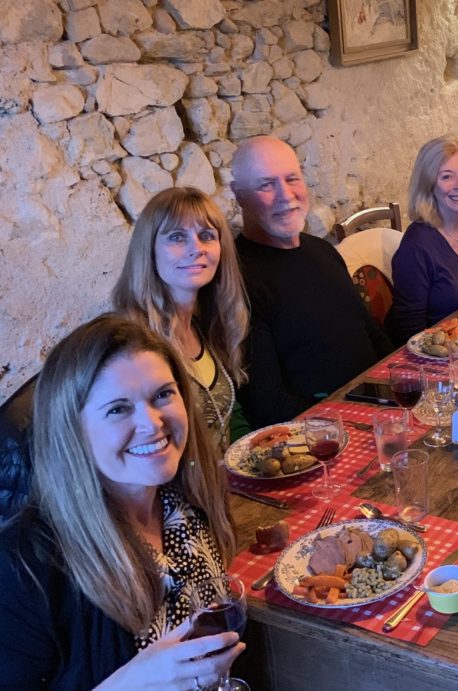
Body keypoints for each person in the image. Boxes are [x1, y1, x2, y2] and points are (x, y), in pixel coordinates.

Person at [0, 316, 242, 689]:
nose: (152, 423)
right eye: (118, 409)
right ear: (72, 432)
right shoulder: (22, 567)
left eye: (163, 395)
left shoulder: (189, 498)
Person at [231, 136, 392, 428]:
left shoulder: (322, 249)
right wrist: (356, 421)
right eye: (266, 185)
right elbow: (269, 406)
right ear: (239, 196)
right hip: (324, 435)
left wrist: (402, 380)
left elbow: (370, 332)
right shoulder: (237, 281)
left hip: (380, 409)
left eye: (292, 178)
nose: (285, 195)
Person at [112, 187, 249, 453]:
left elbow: (229, 416)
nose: (196, 249)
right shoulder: (131, 343)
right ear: (149, 250)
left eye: (207, 236)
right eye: (177, 237)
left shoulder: (203, 325)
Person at [385, 136, 458, 343]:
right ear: (428, 185)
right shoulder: (416, 246)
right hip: (439, 354)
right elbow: (410, 332)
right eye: (446, 177)